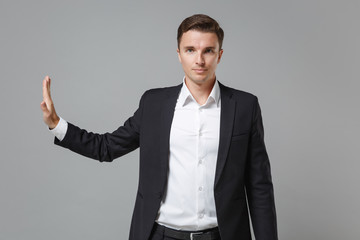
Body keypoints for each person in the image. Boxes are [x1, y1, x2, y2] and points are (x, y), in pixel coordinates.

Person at [41, 14, 277, 240]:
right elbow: (107, 147)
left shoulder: (246, 107)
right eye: (190, 50)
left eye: (208, 51)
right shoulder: (154, 104)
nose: (199, 60)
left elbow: (259, 186)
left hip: (223, 235)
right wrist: (56, 124)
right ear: (179, 54)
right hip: (161, 235)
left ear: (220, 55)